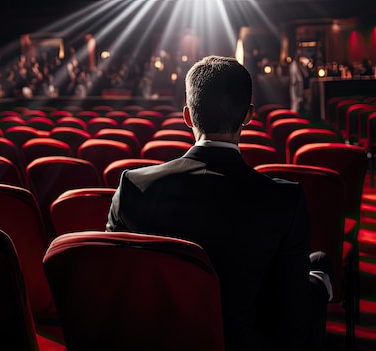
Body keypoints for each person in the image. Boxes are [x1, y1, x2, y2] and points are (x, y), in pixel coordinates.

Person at [106, 56, 332, 351]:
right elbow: (293, 317)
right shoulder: (284, 200)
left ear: (187, 116)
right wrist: (321, 286)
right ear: (248, 115)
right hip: (242, 343)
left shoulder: (133, 186)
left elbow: (114, 286)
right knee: (318, 268)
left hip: (154, 340)